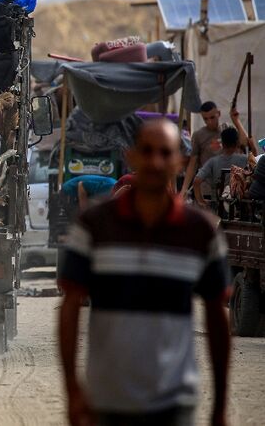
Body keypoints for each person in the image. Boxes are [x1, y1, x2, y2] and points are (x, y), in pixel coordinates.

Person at [59, 119, 230, 426]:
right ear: (132, 157)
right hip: (107, 400)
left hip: (175, 401)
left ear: (179, 162)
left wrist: (219, 406)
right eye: (147, 151)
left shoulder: (201, 233)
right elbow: (70, 308)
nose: (155, 161)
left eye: (165, 153)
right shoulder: (94, 226)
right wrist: (73, 389)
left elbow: (217, 318)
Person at [194, 127, 249, 208]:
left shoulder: (213, 161)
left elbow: (196, 181)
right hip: (241, 207)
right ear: (237, 143)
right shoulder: (245, 159)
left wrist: (201, 201)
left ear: (222, 144)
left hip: (219, 207)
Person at [180, 101, 226, 196]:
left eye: (212, 117)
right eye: (206, 119)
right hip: (206, 187)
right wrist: (184, 190)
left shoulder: (227, 130)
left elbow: (243, 144)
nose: (209, 122)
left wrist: (236, 121)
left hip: (226, 186)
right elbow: (193, 163)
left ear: (219, 114)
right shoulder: (198, 135)